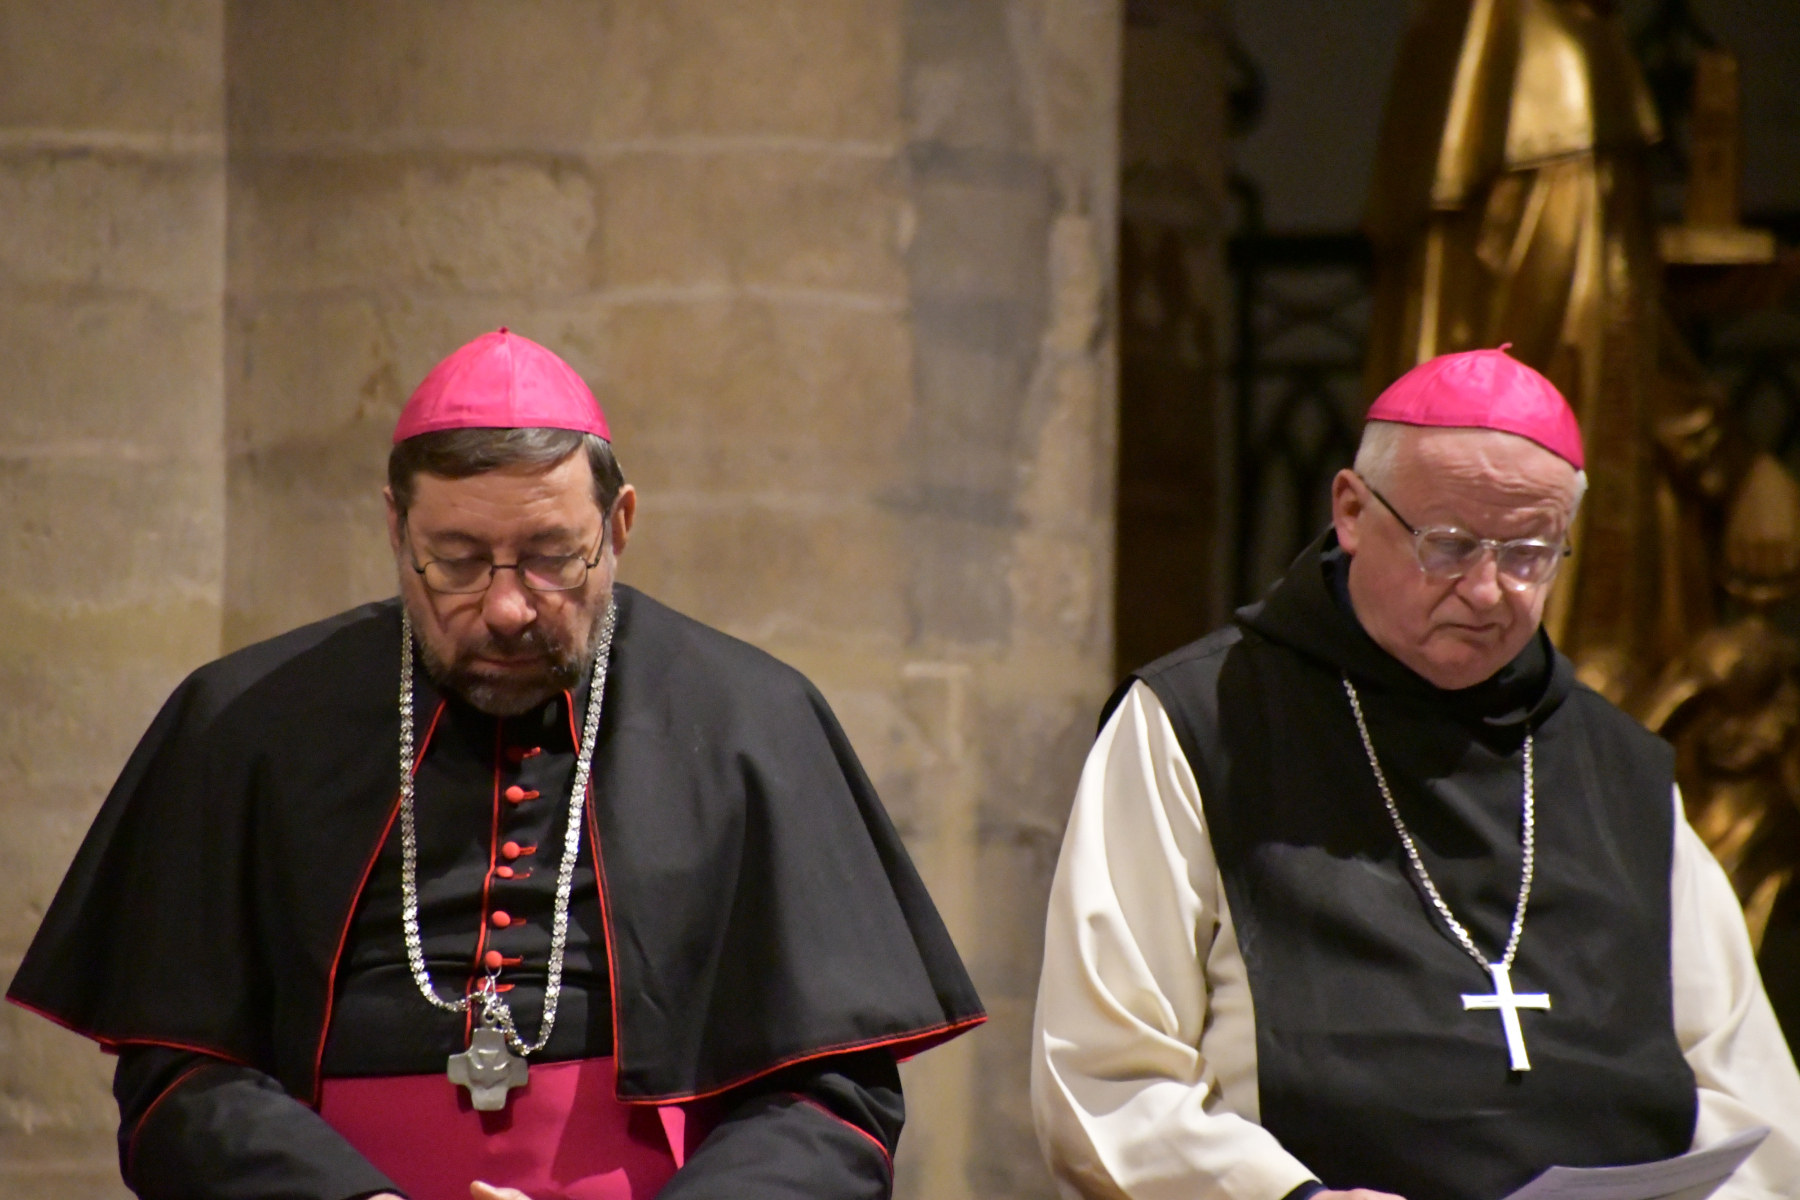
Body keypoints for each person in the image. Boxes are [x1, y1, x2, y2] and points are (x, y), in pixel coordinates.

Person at [8, 329, 985, 1200]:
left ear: (620, 525)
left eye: (552, 557)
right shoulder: (246, 723)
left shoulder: (751, 724)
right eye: (459, 560)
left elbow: (834, 1109)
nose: (508, 607)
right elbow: (175, 1082)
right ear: (396, 529)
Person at [1031, 348, 1800, 1200]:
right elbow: (1108, 1076)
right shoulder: (1200, 722)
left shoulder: (1622, 767)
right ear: (1352, 511)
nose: (1487, 590)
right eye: (1451, 545)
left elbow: (1751, 1106)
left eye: (1529, 553)